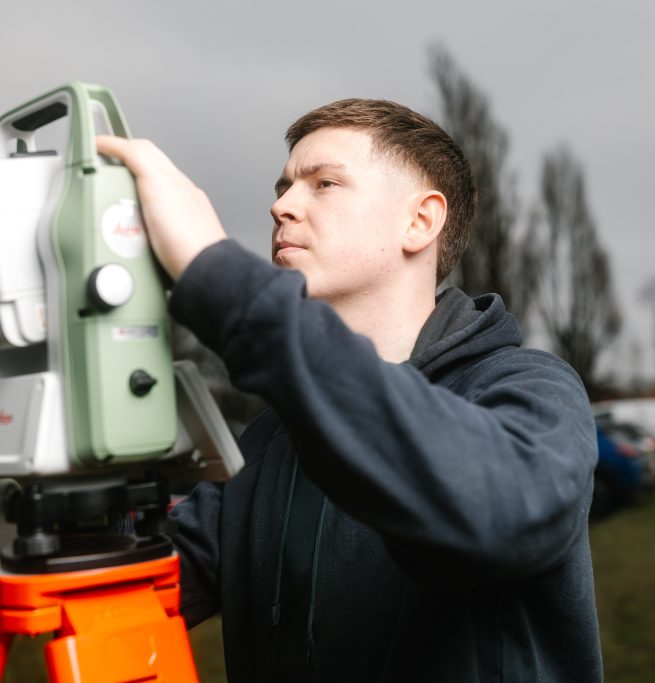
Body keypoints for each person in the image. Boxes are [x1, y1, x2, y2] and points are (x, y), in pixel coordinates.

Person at [96, 98, 602, 682]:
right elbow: (143, 594)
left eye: (324, 183)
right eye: (284, 186)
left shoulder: (526, 388)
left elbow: (499, 515)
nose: (281, 205)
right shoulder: (270, 438)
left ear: (420, 221)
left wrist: (216, 271)